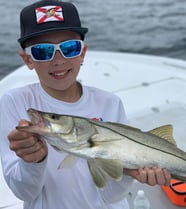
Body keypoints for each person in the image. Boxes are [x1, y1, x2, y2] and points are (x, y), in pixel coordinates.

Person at [0, 0, 171, 208]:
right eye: (43, 51)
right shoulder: (14, 103)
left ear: (82, 53)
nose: (58, 60)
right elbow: (24, 192)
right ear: (28, 60)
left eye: (69, 48)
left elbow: (110, 196)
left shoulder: (109, 103)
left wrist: (128, 173)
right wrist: (33, 162)